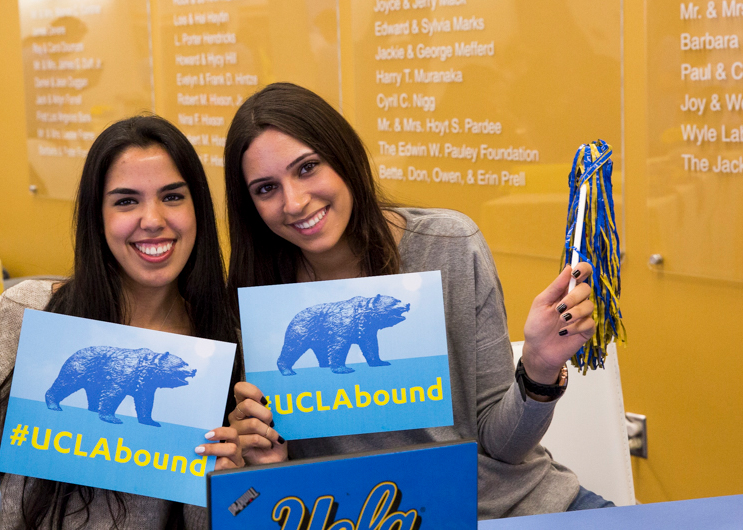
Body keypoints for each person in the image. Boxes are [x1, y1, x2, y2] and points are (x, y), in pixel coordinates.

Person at [222, 82, 614, 519]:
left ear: (344, 157)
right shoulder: (252, 301)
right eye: (265, 189)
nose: (294, 202)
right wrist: (263, 460)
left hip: (507, 508)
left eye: (308, 167)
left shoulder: (448, 245)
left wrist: (539, 369)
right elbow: (263, 493)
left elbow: (503, 446)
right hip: (368, 514)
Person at [0, 115, 243, 529]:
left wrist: (224, 484)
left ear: (199, 209)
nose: (153, 219)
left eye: (173, 197)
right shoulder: (27, 314)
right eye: (126, 201)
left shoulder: (221, 350)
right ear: (98, 219)